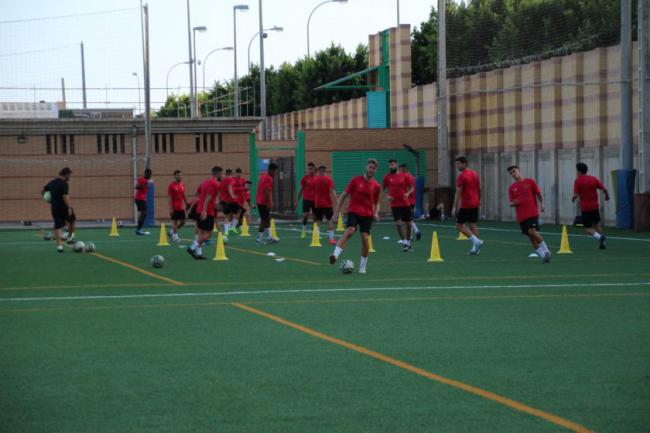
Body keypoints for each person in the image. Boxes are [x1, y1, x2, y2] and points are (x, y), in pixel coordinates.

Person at [329, 158, 381, 274]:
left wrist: (376, 213)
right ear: (366, 167)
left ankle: (362, 268)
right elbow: (343, 195)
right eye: (370, 167)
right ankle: (335, 255)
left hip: (367, 215)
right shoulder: (355, 180)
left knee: (365, 238)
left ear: (375, 170)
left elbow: (377, 203)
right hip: (354, 211)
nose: (371, 169)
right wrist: (336, 212)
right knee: (350, 230)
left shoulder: (376, 186)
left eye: (373, 168)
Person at [507, 165, 551, 263]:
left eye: (514, 171)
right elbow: (510, 202)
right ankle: (543, 256)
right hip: (522, 216)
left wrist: (542, 205)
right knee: (531, 237)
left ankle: (547, 250)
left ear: (519, 170)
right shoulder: (512, 188)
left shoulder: (529, 182)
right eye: (511, 173)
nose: (513, 174)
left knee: (532, 231)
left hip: (532, 212)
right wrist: (514, 202)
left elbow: (538, 194)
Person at [187, 166, 222, 259]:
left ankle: (198, 254)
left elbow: (197, 195)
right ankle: (192, 247)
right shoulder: (215, 183)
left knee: (201, 232)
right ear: (218, 173)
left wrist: (191, 208)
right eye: (221, 173)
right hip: (207, 211)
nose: (221, 175)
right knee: (209, 234)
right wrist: (205, 211)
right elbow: (209, 197)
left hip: (199, 209)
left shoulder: (204, 182)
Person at [451, 156, 484, 255]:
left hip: (467, 204)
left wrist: (454, 207)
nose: (457, 166)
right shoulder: (475, 173)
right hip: (475, 203)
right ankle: (476, 249)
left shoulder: (461, 176)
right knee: (473, 224)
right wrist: (479, 200)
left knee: (458, 225)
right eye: (456, 164)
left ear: (464, 164)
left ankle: (476, 241)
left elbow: (458, 192)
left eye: (459, 164)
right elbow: (479, 189)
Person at [572, 162, 609, 249]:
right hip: (595, 206)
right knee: (597, 224)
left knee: (588, 229)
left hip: (585, 208)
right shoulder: (593, 179)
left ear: (579, 171)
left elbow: (575, 194)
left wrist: (573, 198)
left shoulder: (578, 181)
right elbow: (604, 189)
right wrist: (607, 196)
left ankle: (600, 237)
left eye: (577, 171)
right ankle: (603, 243)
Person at [382, 159, 415, 252]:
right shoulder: (387, 177)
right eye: (389, 165)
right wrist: (387, 196)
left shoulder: (404, 176)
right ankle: (404, 242)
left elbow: (412, 188)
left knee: (409, 224)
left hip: (405, 204)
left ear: (396, 165)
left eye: (392, 164)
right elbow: (383, 189)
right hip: (395, 205)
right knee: (398, 224)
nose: (390, 166)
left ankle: (408, 243)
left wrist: (408, 193)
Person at [42, 167, 75, 252]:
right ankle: (69, 238)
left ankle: (59, 247)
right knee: (72, 221)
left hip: (55, 208)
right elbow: (65, 197)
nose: (69, 177)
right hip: (64, 207)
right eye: (69, 175)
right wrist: (69, 207)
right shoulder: (64, 184)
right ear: (66, 174)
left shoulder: (52, 183)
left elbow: (43, 191)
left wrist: (48, 200)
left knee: (57, 226)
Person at [313, 165, 338, 245]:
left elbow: (313, 191)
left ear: (319, 171)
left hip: (317, 204)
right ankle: (331, 240)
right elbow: (332, 192)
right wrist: (337, 202)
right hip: (327, 204)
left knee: (318, 221)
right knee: (330, 221)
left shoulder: (315, 180)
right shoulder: (329, 180)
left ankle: (316, 238)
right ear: (325, 171)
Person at [256, 163, 279, 244]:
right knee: (264, 220)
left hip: (259, 200)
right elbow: (266, 191)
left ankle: (269, 237)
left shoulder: (263, 175)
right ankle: (258, 239)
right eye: (275, 171)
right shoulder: (269, 178)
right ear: (272, 170)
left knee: (267, 218)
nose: (275, 173)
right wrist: (268, 203)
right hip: (263, 202)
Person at [399, 163, 421, 241]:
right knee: (408, 220)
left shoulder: (406, 177)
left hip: (408, 201)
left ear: (404, 169)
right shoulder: (410, 176)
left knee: (407, 220)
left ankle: (416, 231)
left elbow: (409, 189)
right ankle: (412, 235)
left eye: (401, 169)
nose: (399, 171)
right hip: (411, 201)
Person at [296, 162, 317, 238]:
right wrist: (296, 201)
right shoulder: (305, 178)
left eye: (311, 169)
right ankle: (303, 231)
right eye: (308, 169)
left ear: (314, 169)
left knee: (316, 217)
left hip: (316, 200)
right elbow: (300, 190)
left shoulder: (317, 178)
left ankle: (315, 233)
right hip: (306, 200)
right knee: (305, 216)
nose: (309, 170)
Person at [167, 170, 187, 242]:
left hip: (181, 207)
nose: (180, 176)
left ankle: (172, 232)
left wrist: (186, 203)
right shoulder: (171, 186)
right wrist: (170, 208)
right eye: (178, 175)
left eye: (181, 175)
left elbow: (183, 195)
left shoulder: (182, 185)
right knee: (174, 222)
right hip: (174, 207)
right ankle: (175, 236)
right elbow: (169, 198)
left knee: (183, 222)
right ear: (175, 176)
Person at [219, 169, 240, 235]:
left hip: (223, 200)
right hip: (230, 200)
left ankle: (226, 231)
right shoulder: (230, 179)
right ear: (231, 173)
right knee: (238, 212)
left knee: (227, 216)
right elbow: (229, 187)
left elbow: (220, 190)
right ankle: (232, 226)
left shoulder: (222, 180)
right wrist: (232, 195)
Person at [134, 168, 152, 235]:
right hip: (139, 199)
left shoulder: (146, 180)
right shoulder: (142, 179)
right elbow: (136, 187)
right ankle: (139, 229)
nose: (150, 176)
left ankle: (139, 229)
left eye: (150, 174)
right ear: (146, 174)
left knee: (143, 214)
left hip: (141, 199)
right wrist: (140, 186)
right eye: (149, 174)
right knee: (144, 213)